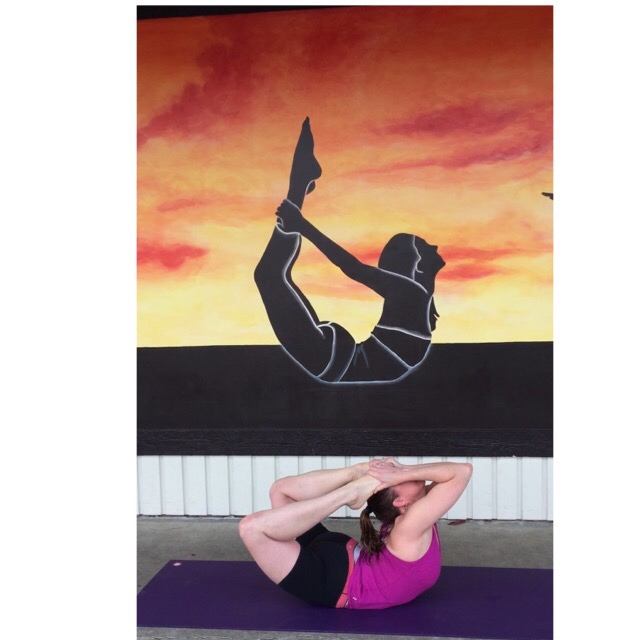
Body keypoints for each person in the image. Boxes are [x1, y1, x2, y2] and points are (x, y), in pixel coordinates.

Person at [254, 117, 446, 384]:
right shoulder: (413, 292)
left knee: (270, 276)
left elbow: (355, 268)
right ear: (414, 262)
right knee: (269, 276)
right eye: (423, 244)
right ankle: (298, 186)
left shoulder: (415, 293)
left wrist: (301, 225)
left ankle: (299, 185)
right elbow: (353, 267)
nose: (433, 245)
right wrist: (301, 225)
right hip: (340, 361)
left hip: (341, 360)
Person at [239, 457, 472, 609]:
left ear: (401, 502)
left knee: (265, 512)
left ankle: (351, 489)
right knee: (266, 508)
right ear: (400, 501)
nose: (401, 473)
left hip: (334, 570)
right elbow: (459, 472)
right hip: (335, 575)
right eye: (395, 475)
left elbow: (458, 471)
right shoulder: (411, 519)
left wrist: (401, 472)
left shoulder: (412, 519)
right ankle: (350, 488)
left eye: (395, 475)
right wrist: (361, 471)